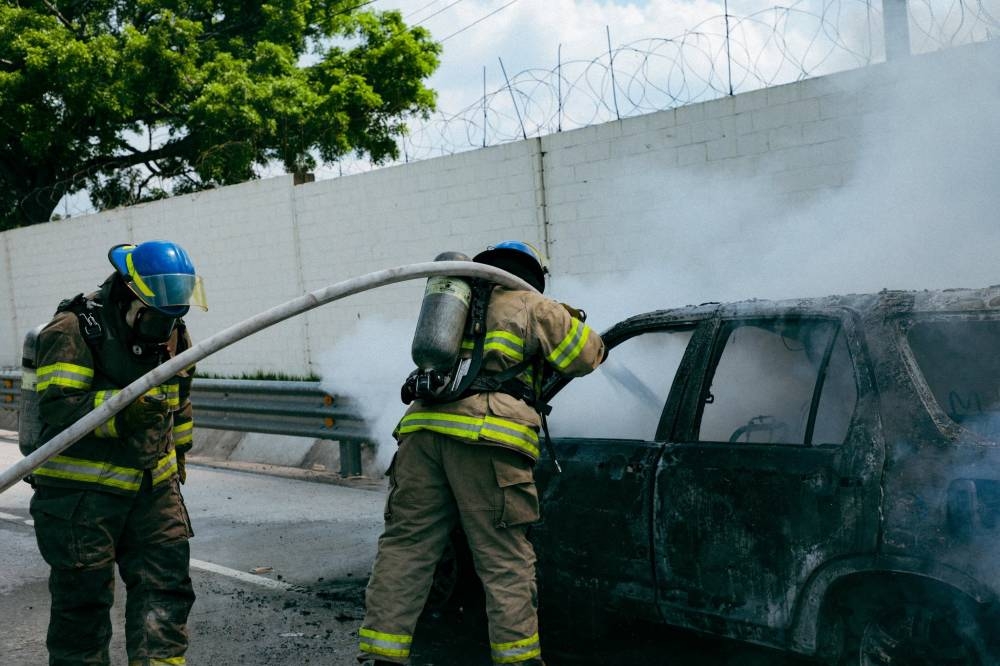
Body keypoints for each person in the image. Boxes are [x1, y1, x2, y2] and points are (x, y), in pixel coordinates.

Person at [358, 240, 606, 666]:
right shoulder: (533, 305)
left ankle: (382, 655)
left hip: (421, 434)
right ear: (532, 275)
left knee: (406, 547)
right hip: (485, 441)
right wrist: (564, 313)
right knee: (504, 559)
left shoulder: (455, 305)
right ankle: (518, 661)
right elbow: (587, 355)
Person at [26, 240, 207, 666]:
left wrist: (179, 455)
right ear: (128, 298)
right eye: (155, 318)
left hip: (153, 489)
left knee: (166, 591)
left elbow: (179, 401)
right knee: (83, 607)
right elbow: (58, 409)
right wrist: (122, 414)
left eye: (171, 318)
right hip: (81, 500)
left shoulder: (173, 330)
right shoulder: (72, 331)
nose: (165, 329)